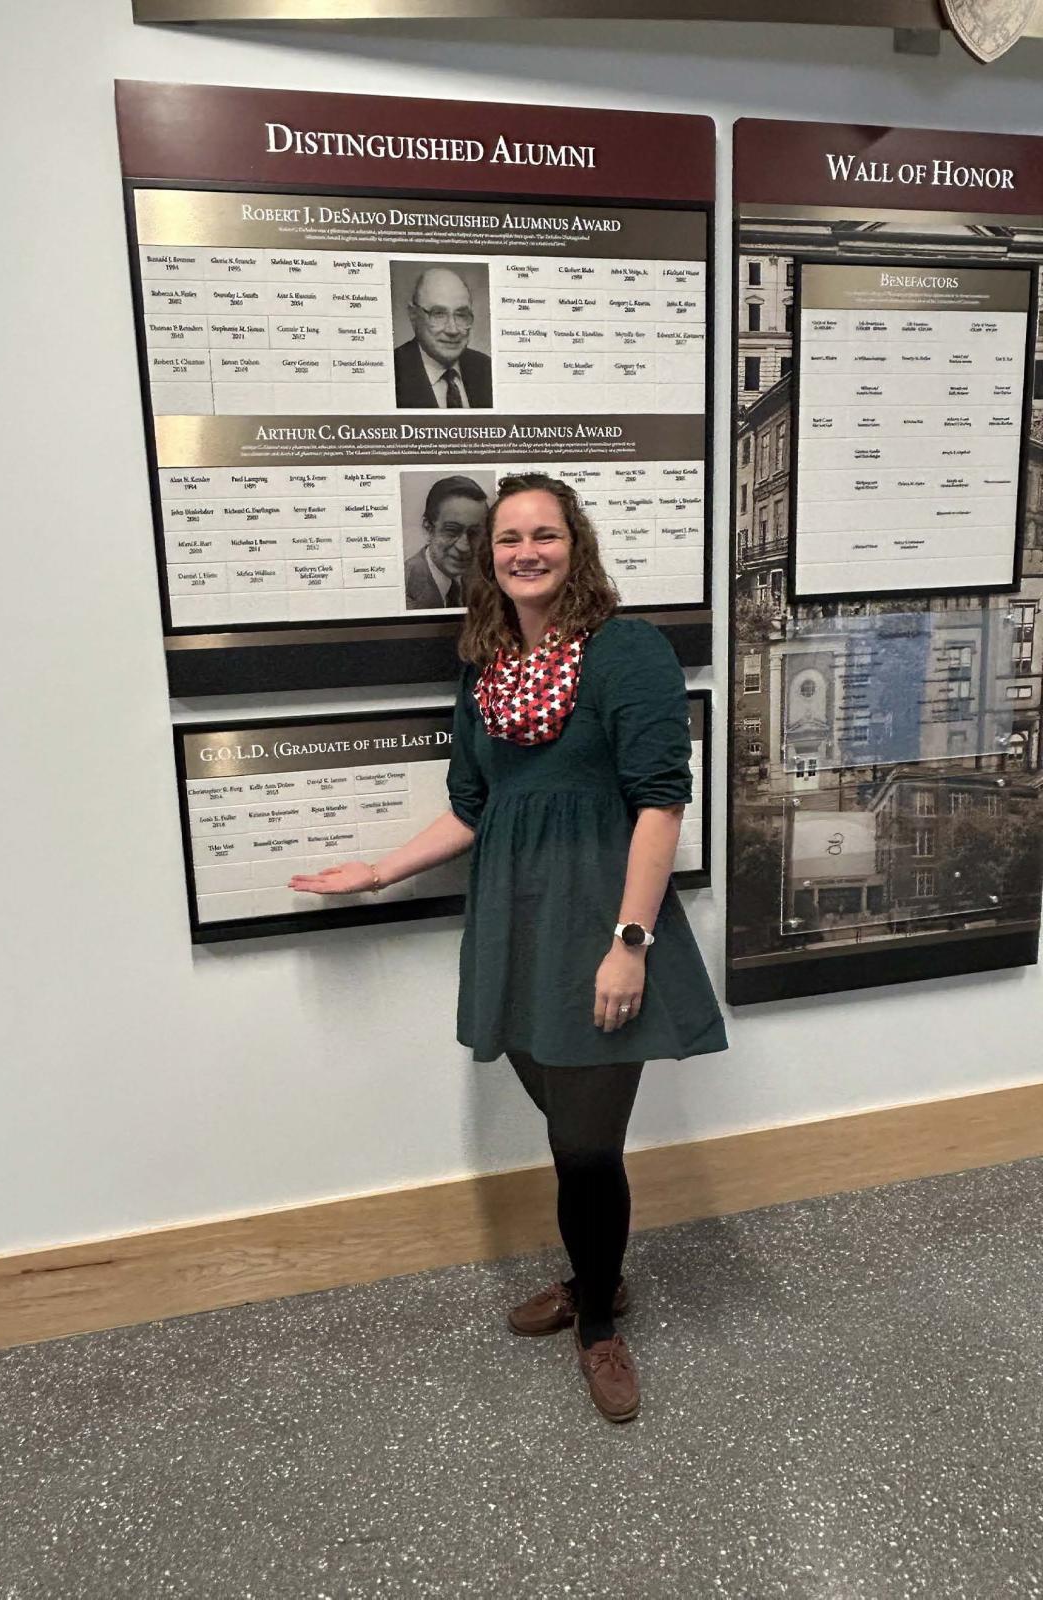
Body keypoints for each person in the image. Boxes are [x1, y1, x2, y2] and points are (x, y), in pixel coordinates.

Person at [289, 472, 727, 1425]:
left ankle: (599, 1322)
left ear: (578, 548)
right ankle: (594, 1276)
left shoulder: (628, 653)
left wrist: (630, 943)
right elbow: (474, 806)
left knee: (584, 1142)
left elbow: (662, 800)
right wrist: (379, 872)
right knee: (562, 1133)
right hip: (512, 924)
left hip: (601, 922)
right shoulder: (484, 665)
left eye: (545, 534)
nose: (525, 551)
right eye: (507, 539)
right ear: (488, 559)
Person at [393, 266, 494, 409]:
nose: (452, 330)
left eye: (461, 315)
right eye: (438, 314)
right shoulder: (392, 372)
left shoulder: (486, 369)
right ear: (413, 315)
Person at [403, 474, 487, 609]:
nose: (464, 547)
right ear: (428, 528)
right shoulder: (403, 588)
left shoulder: (480, 583)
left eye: (474, 533)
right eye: (452, 531)